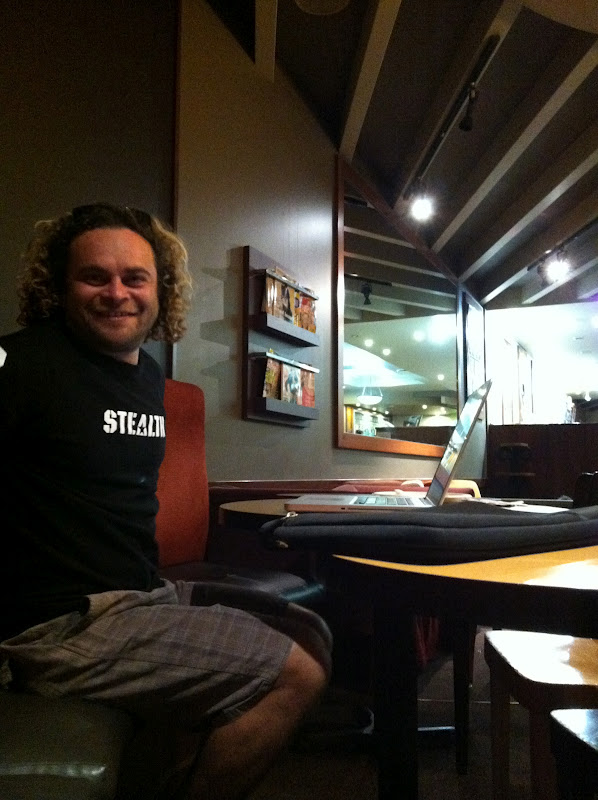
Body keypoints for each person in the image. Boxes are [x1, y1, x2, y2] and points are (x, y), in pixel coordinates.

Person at [0, 204, 331, 800]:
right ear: (60, 286)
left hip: (142, 594)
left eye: (135, 278)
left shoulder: (148, 377)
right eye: (94, 277)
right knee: (297, 675)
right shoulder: (20, 362)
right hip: (62, 624)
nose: (116, 293)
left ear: (160, 289)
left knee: (310, 631)